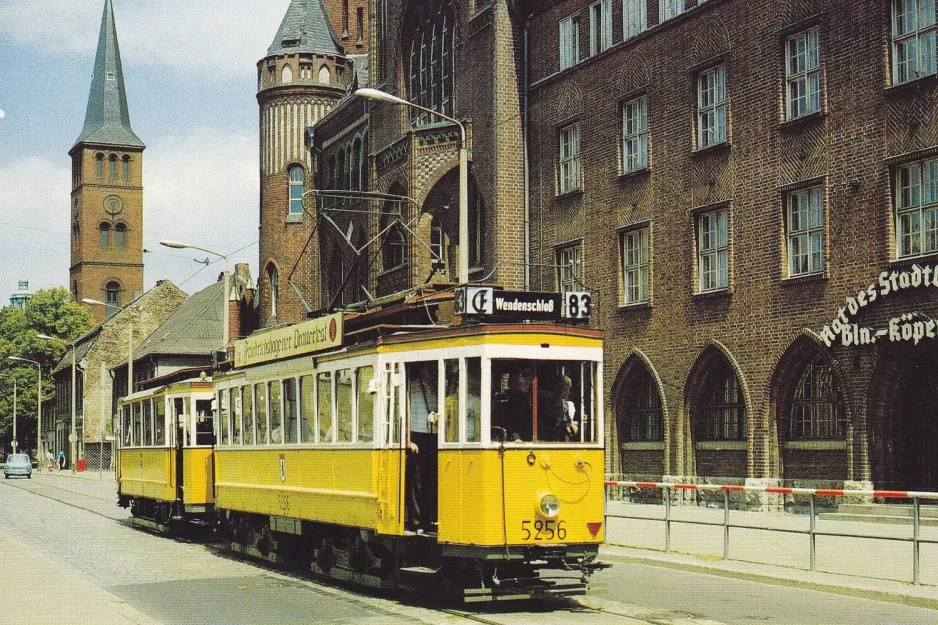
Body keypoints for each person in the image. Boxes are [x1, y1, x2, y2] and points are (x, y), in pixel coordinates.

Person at [406, 362, 438, 531]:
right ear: (421, 369)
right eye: (428, 368)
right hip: (416, 438)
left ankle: (428, 520)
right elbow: (403, 413)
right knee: (417, 482)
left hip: (431, 437)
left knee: (429, 480)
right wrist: (407, 440)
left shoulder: (434, 389)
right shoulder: (411, 388)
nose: (431, 371)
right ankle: (416, 522)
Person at [494, 366, 534, 442]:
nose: (527, 382)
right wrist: (516, 436)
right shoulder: (508, 397)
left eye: (530, 379)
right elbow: (507, 419)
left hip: (532, 438)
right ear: (515, 380)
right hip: (511, 439)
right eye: (524, 378)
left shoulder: (534, 396)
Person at [540, 375, 579, 442]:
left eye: (568, 389)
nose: (568, 392)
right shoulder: (544, 405)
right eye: (565, 390)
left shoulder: (567, 406)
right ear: (557, 389)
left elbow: (571, 426)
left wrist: (570, 425)